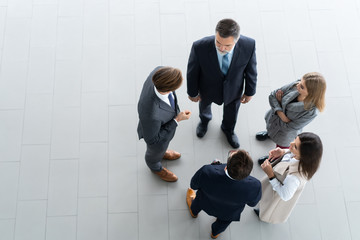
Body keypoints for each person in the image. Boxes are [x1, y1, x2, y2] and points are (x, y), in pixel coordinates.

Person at [187, 18, 257, 148]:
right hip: (207, 88)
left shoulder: (249, 45)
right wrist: (192, 92)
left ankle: (228, 129)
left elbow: (251, 70)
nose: (221, 48)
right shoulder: (199, 46)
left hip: (233, 90)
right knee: (204, 106)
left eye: (227, 45)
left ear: (237, 40)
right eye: (218, 42)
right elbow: (192, 71)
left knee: (232, 112)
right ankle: (204, 120)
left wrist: (249, 92)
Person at [186, 150, 261, 239]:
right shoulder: (255, 186)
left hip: (204, 202)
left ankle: (194, 213)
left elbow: (193, 185)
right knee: (222, 224)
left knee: (196, 204)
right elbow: (252, 203)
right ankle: (215, 233)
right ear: (248, 172)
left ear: (226, 167)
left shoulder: (207, 171)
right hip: (228, 213)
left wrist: (216, 166)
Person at [256, 72, 326, 164]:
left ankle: (271, 159)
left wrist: (279, 104)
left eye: (302, 87)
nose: (298, 85)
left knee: (280, 150)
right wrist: (282, 115)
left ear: (311, 93)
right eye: (301, 81)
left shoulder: (311, 111)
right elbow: (272, 95)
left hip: (284, 133)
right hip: (274, 120)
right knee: (271, 130)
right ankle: (269, 134)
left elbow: (290, 127)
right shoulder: (296, 84)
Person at [254, 132, 323, 224]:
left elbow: (285, 195)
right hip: (275, 181)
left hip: (277, 191)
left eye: (295, 146)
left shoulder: (295, 178)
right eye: (295, 139)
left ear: (304, 155)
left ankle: (263, 213)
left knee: (268, 206)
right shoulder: (299, 156)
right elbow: (291, 154)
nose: (290, 144)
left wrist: (270, 175)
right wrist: (283, 151)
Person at [137, 66, 191, 182]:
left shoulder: (158, 71)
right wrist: (177, 119)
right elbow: (153, 140)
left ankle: (163, 153)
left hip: (161, 122)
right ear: (168, 89)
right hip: (155, 135)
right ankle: (155, 167)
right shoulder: (152, 114)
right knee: (154, 153)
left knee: (162, 149)